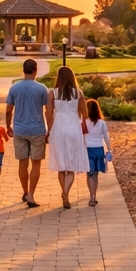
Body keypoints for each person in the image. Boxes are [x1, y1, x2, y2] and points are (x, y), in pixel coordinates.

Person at [5, 57, 53, 208]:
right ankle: (31, 194)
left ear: (23, 70)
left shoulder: (14, 88)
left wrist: (8, 126)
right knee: (36, 162)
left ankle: (25, 191)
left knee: (22, 162)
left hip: (19, 129)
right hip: (37, 129)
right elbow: (48, 110)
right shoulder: (41, 88)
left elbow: (8, 110)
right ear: (35, 70)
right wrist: (49, 129)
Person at [46, 65, 90, 208]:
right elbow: (85, 114)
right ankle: (66, 194)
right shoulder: (78, 93)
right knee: (70, 165)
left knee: (61, 165)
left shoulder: (53, 93)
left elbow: (48, 114)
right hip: (73, 128)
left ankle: (64, 193)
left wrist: (48, 130)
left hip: (58, 127)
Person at [83, 98, 112, 207]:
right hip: (99, 149)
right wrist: (109, 148)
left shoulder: (84, 122)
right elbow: (106, 136)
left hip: (88, 150)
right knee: (95, 175)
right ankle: (94, 196)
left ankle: (91, 197)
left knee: (89, 174)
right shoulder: (102, 123)